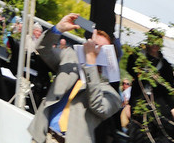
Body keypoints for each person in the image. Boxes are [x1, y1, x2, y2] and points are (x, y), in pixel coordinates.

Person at [30, 14, 121, 143]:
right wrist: (58, 29)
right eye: (92, 44)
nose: (93, 49)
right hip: (42, 135)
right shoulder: (70, 58)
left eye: (99, 48)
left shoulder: (112, 95)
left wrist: (91, 64)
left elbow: (99, 106)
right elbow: (42, 49)